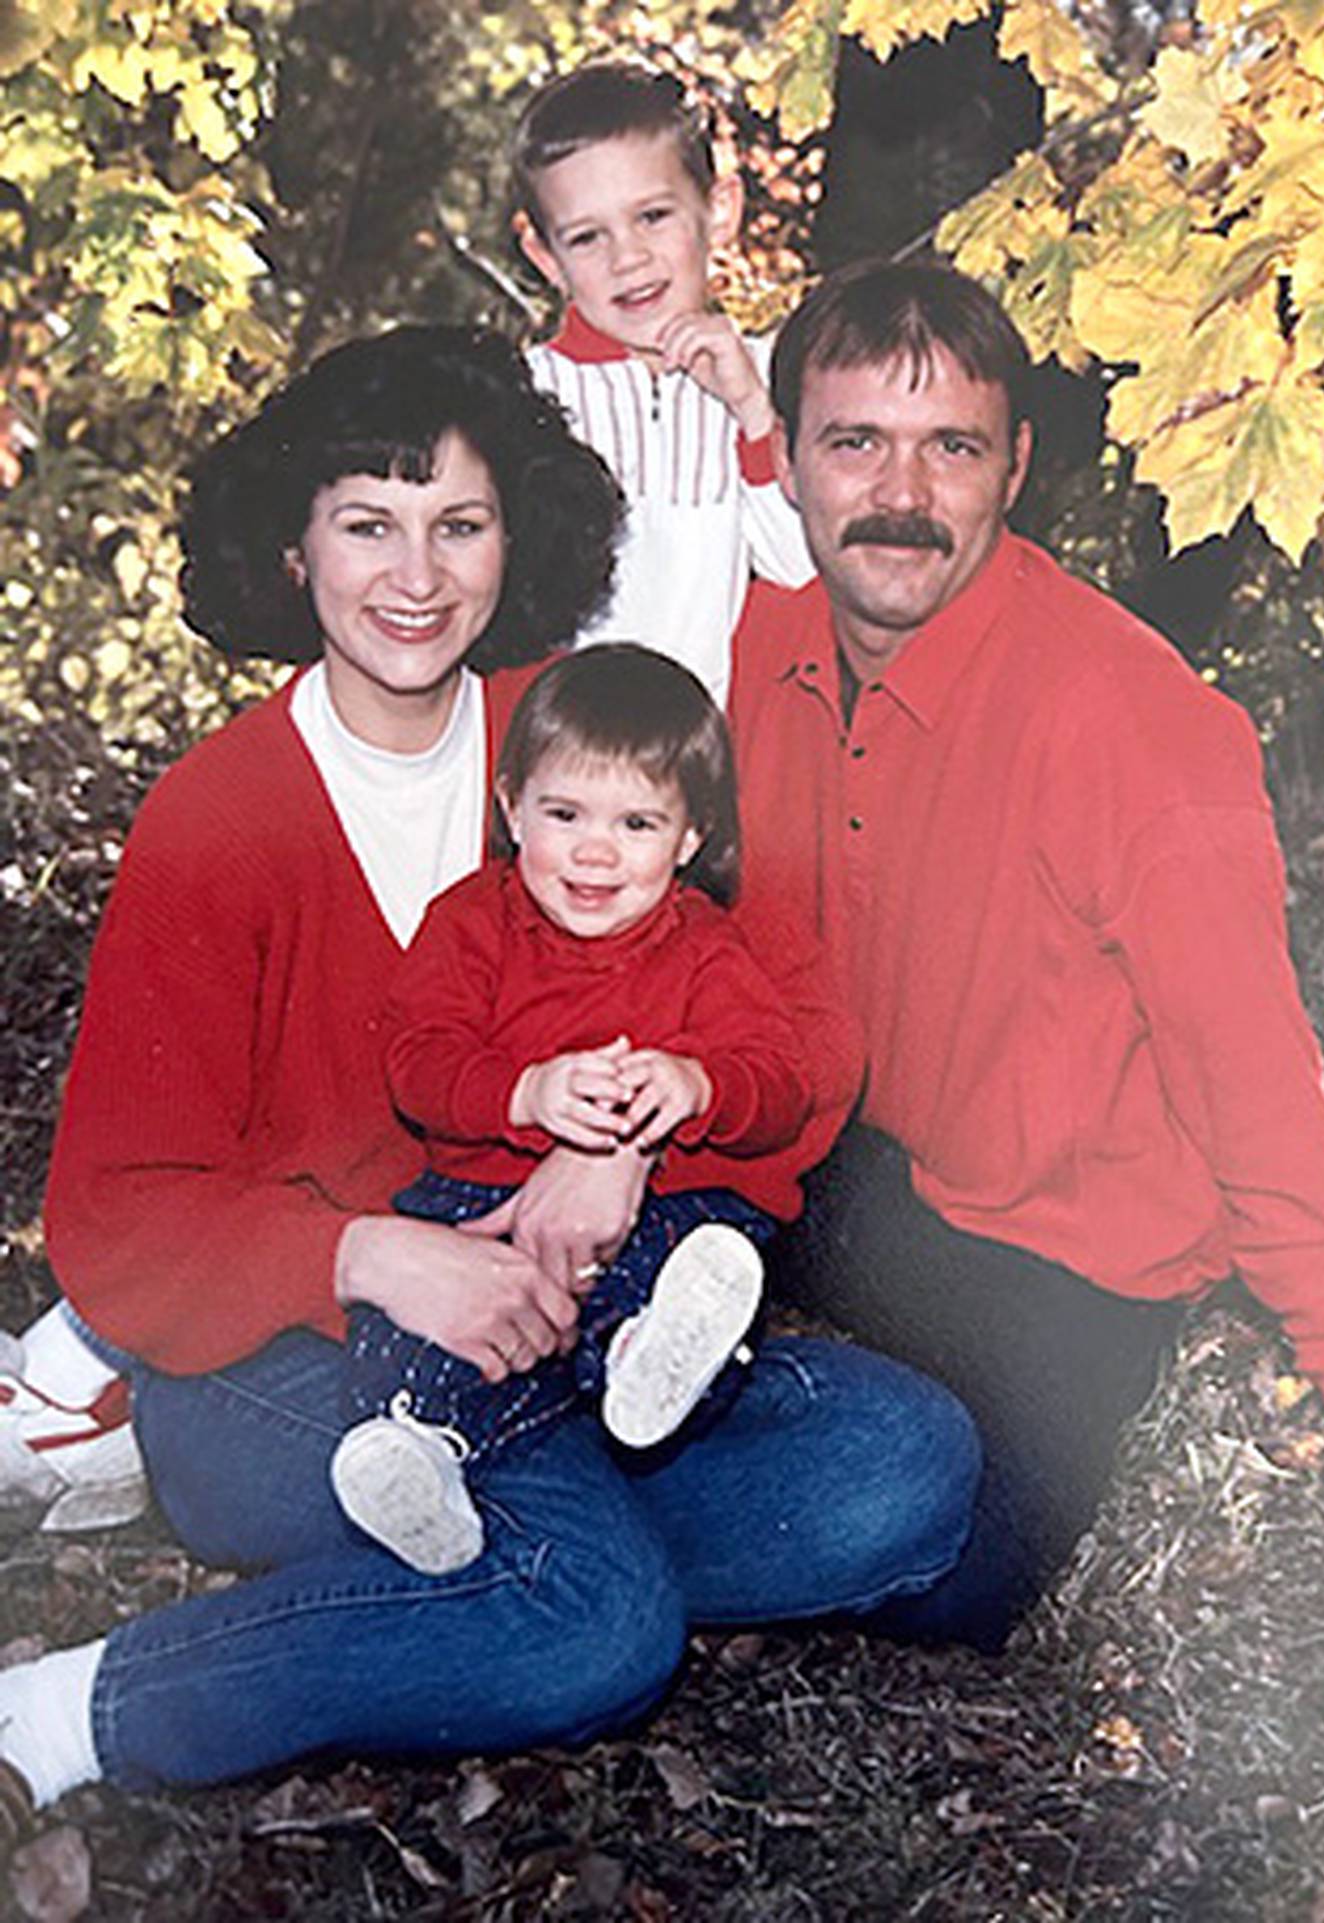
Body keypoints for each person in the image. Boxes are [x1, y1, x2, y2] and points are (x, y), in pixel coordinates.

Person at [0, 321, 977, 1844]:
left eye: (460, 524)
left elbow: (796, 1033)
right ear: (295, 547)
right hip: (294, 1354)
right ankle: (69, 1710)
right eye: (369, 524)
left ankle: (492, 1554)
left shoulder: (573, 747)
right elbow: (119, 1217)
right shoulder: (219, 817)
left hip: (569, 1312)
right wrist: (383, 1250)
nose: (416, 574)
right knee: (598, 1626)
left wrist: (642, 1141)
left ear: (515, 539)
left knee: (910, 1458)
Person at [729, 259, 1324, 1654]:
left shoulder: (1128, 722)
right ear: (789, 456)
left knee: (953, 1582)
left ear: (1017, 467)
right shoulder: (745, 651)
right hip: (853, 1167)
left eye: (954, 447)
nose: (901, 494)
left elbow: (1255, 1080)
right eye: (856, 440)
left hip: (1070, 1262)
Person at [332, 643, 834, 1575]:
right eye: (565, 814)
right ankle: (423, 1448)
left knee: (699, 1251)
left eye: (638, 822)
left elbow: (780, 1084)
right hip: (482, 1198)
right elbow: (419, 1061)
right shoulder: (471, 925)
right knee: (424, 1319)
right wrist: (524, 1092)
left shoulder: (705, 952)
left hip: (663, 1209)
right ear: (511, 805)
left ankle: (648, 1352)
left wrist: (696, 1084)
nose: (595, 851)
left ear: (689, 840)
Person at [514, 60, 813, 703]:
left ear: (720, 211)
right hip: (557, 756)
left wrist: (752, 413)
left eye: (652, 217)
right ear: (546, 258)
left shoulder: (766, 378)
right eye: (588, 237)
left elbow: (800, 567)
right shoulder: (525, 398)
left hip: (699, 760)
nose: (628, 259)